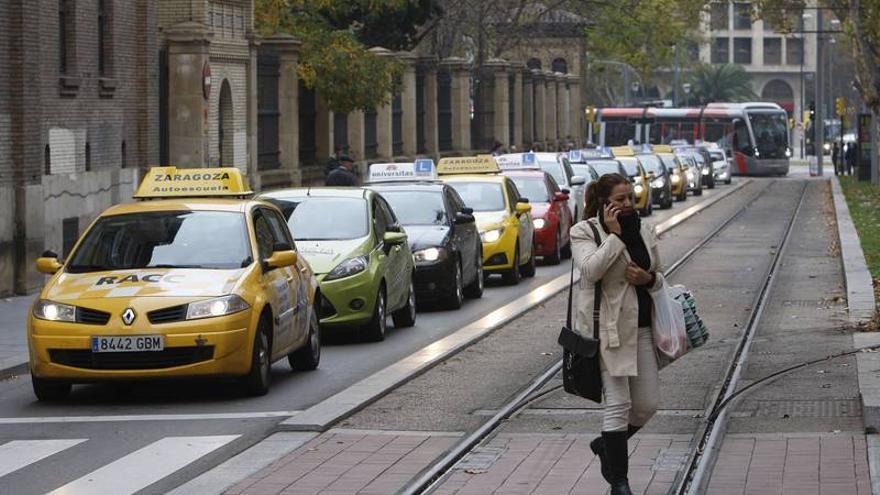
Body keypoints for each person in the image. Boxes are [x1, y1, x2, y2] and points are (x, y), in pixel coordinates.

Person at [570, 173, 664, 495]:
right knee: (619, 404)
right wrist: (614, 236)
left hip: (642, 329)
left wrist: (648, 279)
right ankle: (620, 483)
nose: (627, 204)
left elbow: (660, 273)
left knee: (647, 405)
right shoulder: (583, 232)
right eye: (620, 199)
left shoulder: (646, 229)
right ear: (603, 202)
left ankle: (606, 445)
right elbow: (591, 270)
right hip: (608, 331)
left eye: (630, 198)